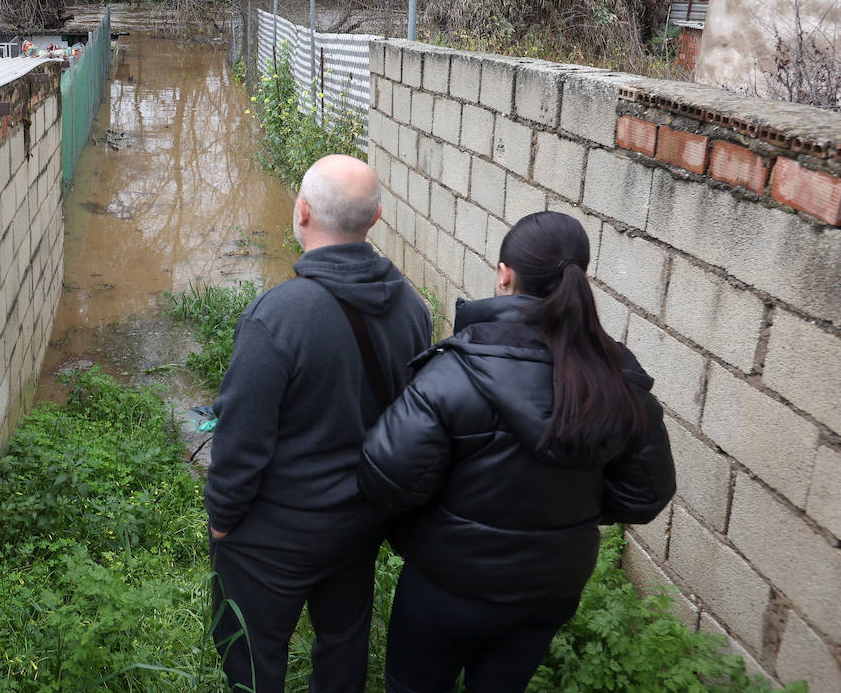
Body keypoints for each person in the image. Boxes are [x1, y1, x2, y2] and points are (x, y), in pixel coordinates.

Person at [358, 210, 675, 693]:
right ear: (579, 277)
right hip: (550, 591)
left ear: (504, 272)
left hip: (447, 586)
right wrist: (568, 513)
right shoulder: (620, 385)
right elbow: (644, 496)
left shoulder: (454, 374)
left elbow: (387, 478)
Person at [206, 154, 433, 693]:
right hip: (359, 524)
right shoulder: (413, 310)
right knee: (342, 643)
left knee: (252, 652)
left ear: (301, 212)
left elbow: (241, 442)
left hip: (274, 535)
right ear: (376, 218)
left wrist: (222, 519)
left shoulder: (276, 317)